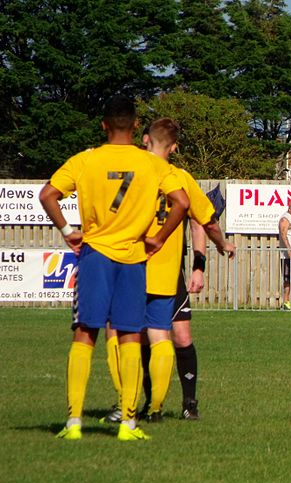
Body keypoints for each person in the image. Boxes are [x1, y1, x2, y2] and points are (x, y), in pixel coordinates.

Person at [39, 95, 190, 441]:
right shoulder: (150, 163)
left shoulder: (85, 160)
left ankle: (74, 422)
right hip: (133, 258)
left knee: (85, 333)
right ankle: (129, 424)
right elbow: (181, 202)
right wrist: (159, 238)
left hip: (95, 255)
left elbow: (48, 194)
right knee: (130, 335)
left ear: (104, 125)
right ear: (137, 126)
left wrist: (67, 231)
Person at [103, 118, 235, 424]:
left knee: (138, 333)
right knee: (152, 335)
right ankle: (146, 404)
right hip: (152, 269)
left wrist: (198, 266)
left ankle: (179, 402)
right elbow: (210, 221)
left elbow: (198, 220)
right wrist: (223, 244)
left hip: (134, 266)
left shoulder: (137, 174)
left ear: (146, 139)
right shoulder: (176, 177)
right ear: (174, 147)